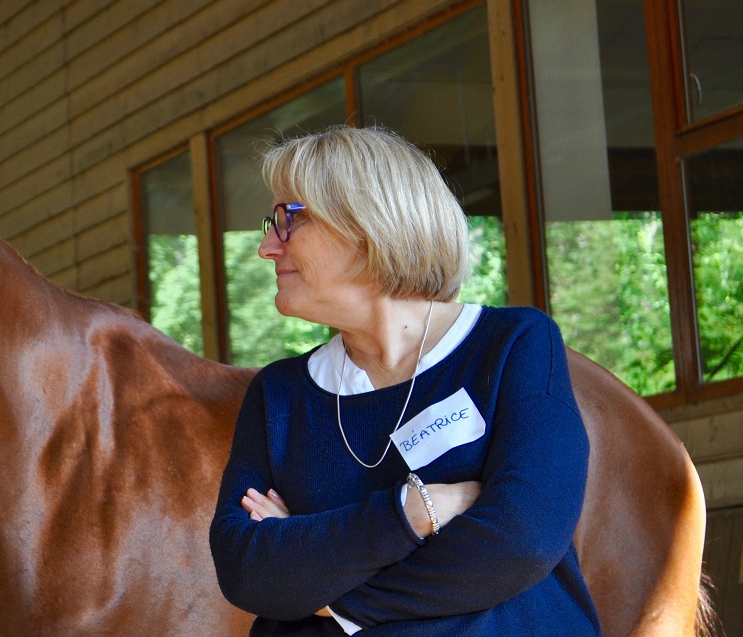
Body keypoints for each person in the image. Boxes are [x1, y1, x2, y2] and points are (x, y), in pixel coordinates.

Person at [209, 125, 599, 635]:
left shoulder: (514, 345)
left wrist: (330, 596)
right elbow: (247, 572)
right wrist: (415, 511)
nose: (266, 247)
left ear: (365, 223)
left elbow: (521, 540)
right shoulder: (278, 394)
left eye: (287, 220)